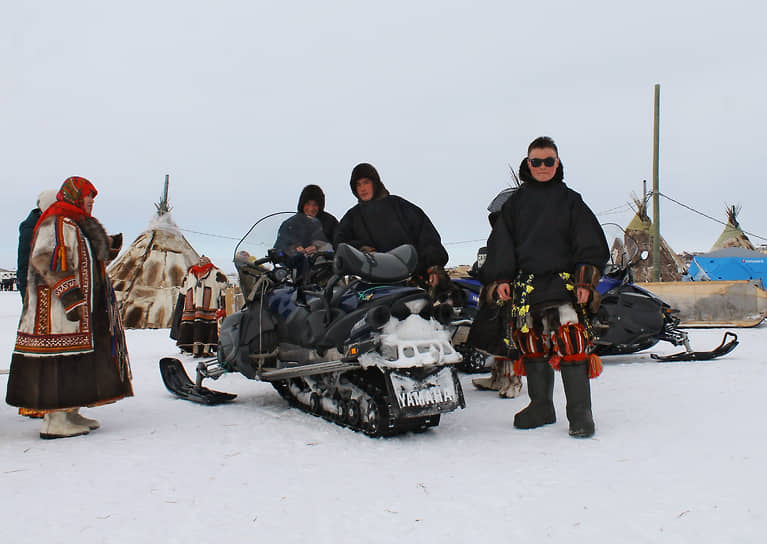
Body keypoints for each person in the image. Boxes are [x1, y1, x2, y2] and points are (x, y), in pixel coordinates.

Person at [480, 137, 609, 438]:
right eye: (535, 162)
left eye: (548, 161)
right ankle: (541, 406)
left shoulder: (571, 201)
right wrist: (500, 279)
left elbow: (590, 243)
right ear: (528, 164)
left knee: (572, 343)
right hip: (527, 287)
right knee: (531, 344)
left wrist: (585, 282)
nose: (542, 167)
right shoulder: (515, 205)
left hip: (564, 285)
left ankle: (580, 414)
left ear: (558, 164)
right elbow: (501, 245)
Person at [6, 176, 133, 439]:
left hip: (79, 311)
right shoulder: (56, 221)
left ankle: (70, 412)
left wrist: (108, 247)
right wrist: (69, 295)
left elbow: (83, 259)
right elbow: (44, 259)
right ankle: (55, 420)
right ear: (75, 195)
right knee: (59, 362)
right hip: (56, 310)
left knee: (76, 360)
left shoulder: (74, 223)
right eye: (88, 197)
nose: (91, 202)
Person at [335, 163, 449, 289]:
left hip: (412, 280)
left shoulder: (399, 205)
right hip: (373, 285)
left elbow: (426, 235)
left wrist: (434, 267)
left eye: (366, 182)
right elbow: (340, 243)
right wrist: (360, 249)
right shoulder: (352, 216)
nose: (362, 188)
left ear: (375, 183)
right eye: (358, 184)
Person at [177, 256, 229, 357]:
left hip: (192, 306)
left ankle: (196, 350)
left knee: (195, 326)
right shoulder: (216, 272)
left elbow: (183, 289)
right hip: (209, 305)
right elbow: (224, 285)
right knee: (208, 327)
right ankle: (205, 350)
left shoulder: (191, 273)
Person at [17, 190, 57, 301]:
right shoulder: (31, 228)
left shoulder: (54, 224)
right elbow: (24, 263)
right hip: (38, 290)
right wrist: (27, 298)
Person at [274, 185, 334, 256]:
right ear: (302, 204)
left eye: (315, 205)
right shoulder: (290, 224)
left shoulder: (330, 223)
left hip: (324, 264)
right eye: (308, 204)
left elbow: (338, 246)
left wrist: (318, 248)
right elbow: (279, 250)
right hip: (297, 265)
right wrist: (294, 249)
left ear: (320, 206)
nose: (311, 209)